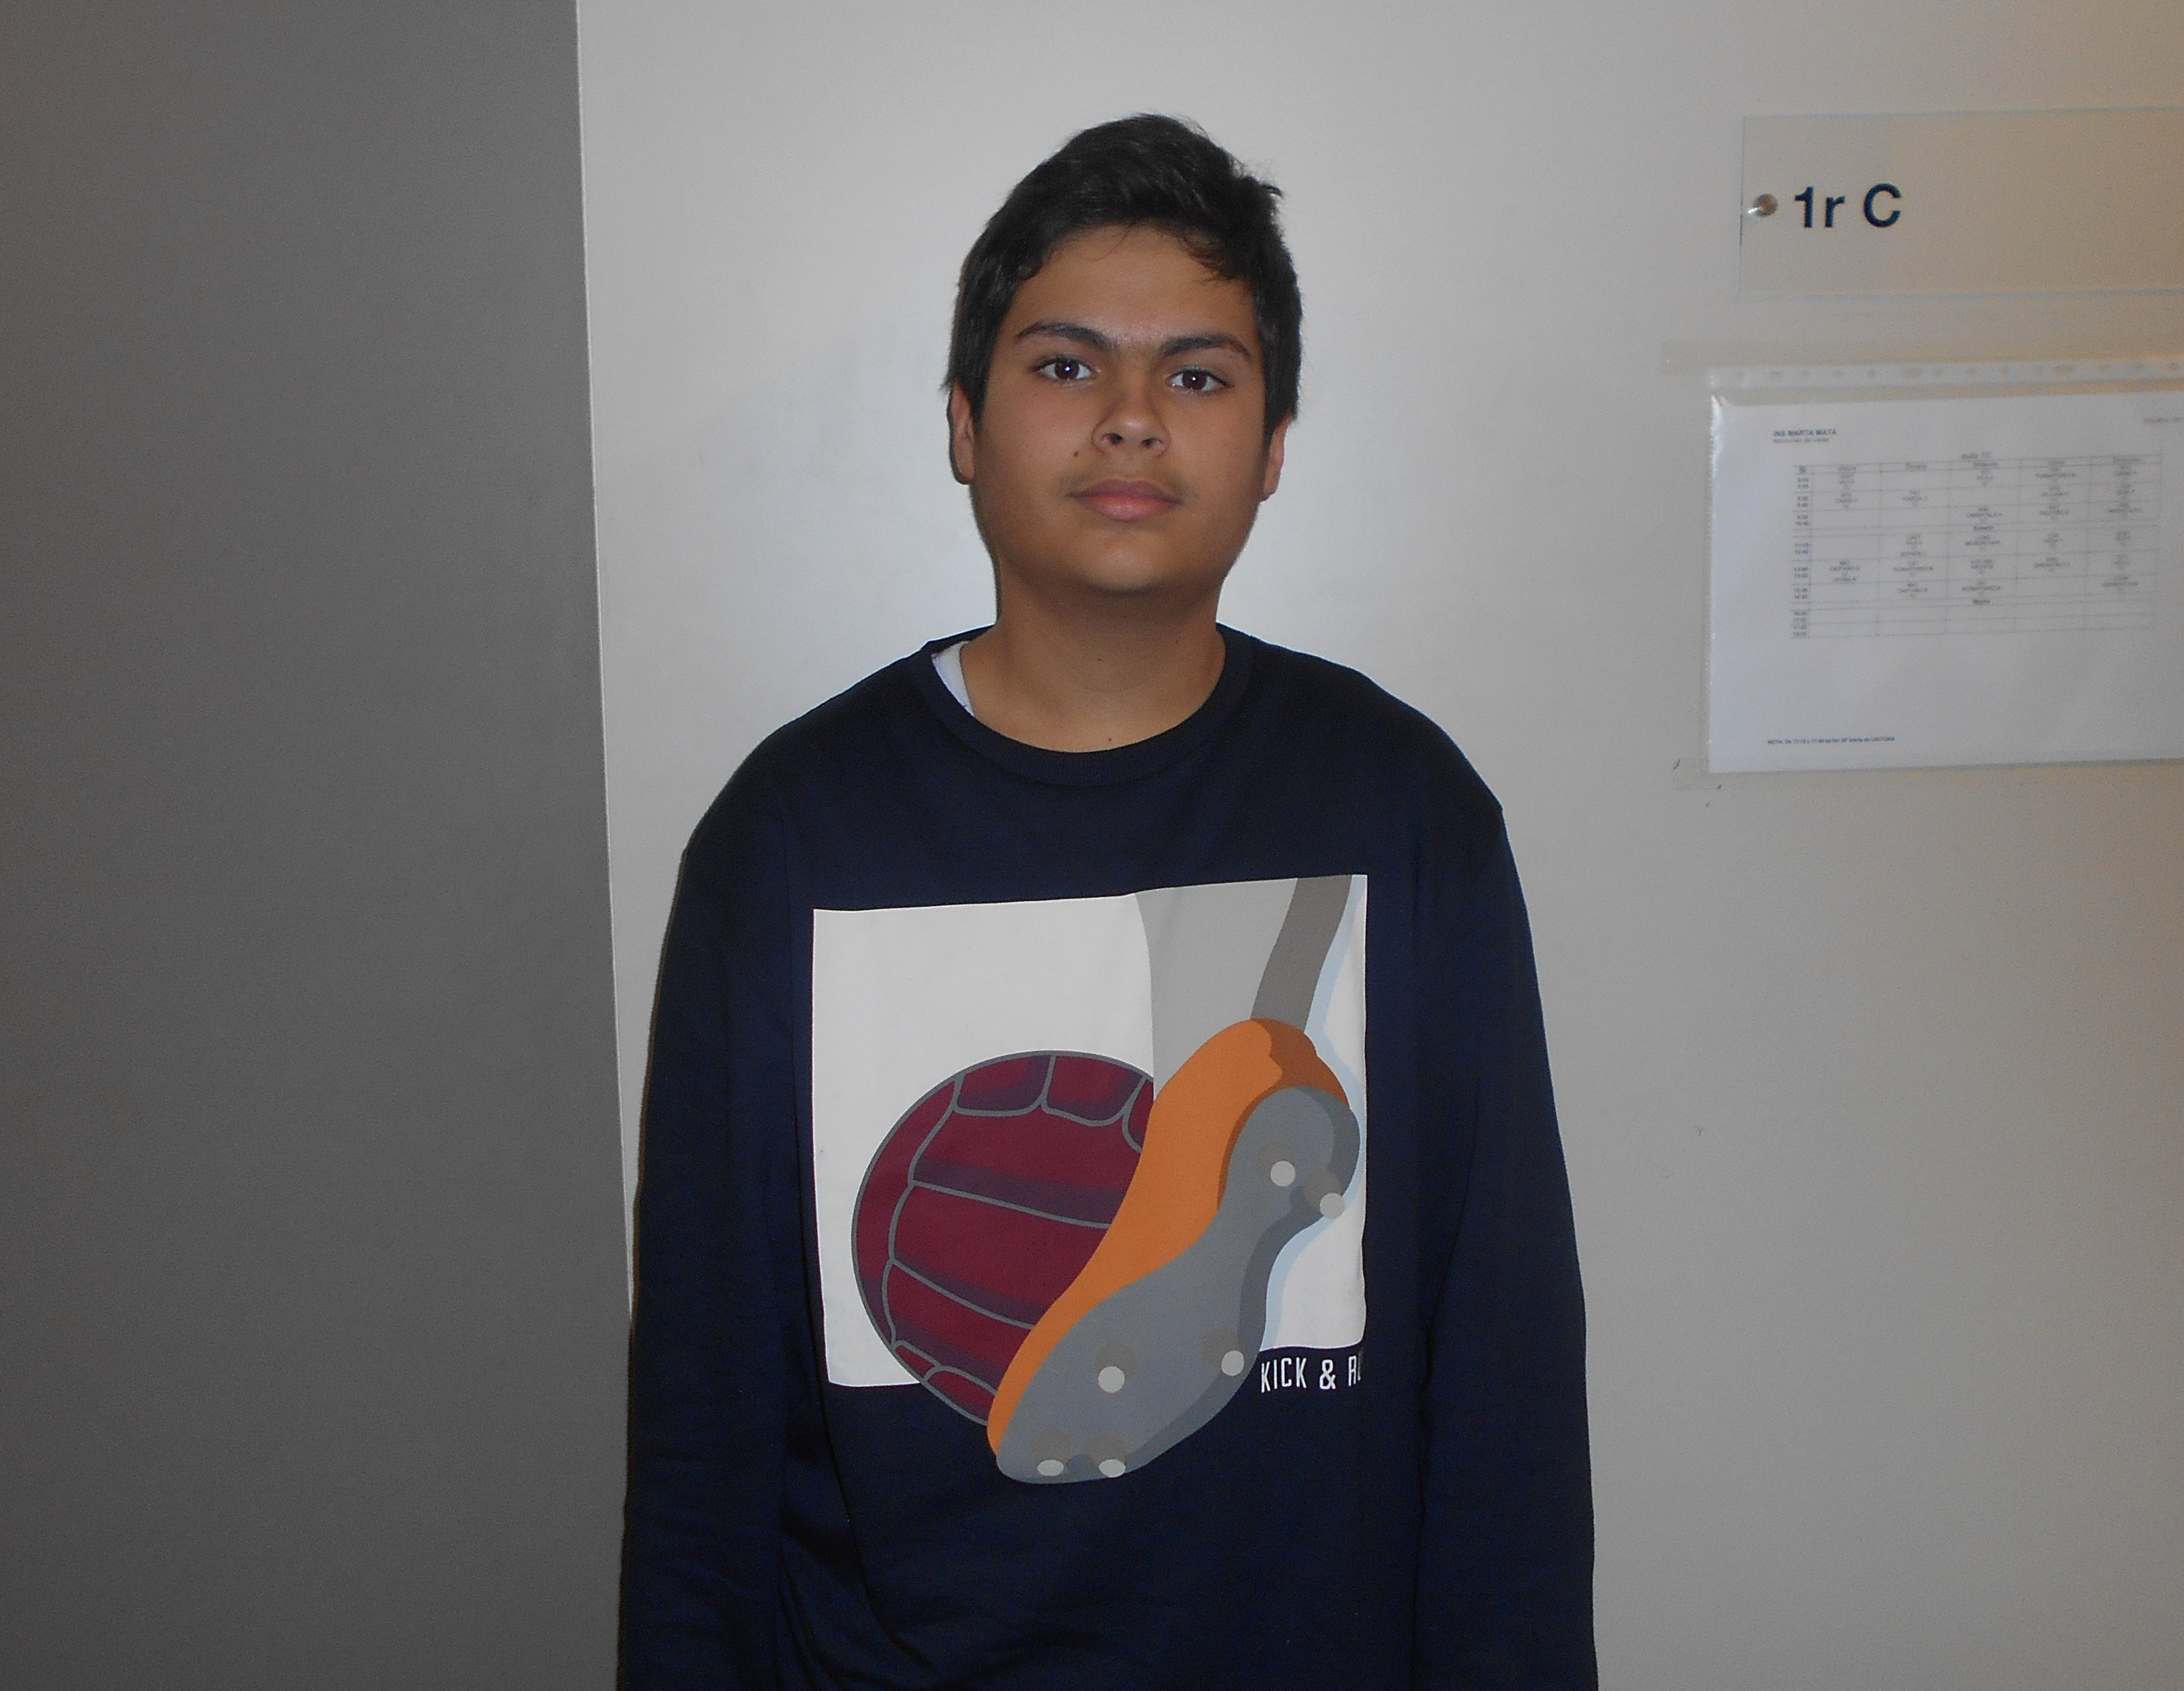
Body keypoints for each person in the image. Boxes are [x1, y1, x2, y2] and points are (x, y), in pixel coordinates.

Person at [621, 113, 1594, 1689]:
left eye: (1197, 376)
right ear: (963, 423)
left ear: (1272, 448)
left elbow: (1504, 1372)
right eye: (1068, 365)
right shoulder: (792, 838)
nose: (1132, 417)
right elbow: (703, 1411)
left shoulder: (1403, 809)